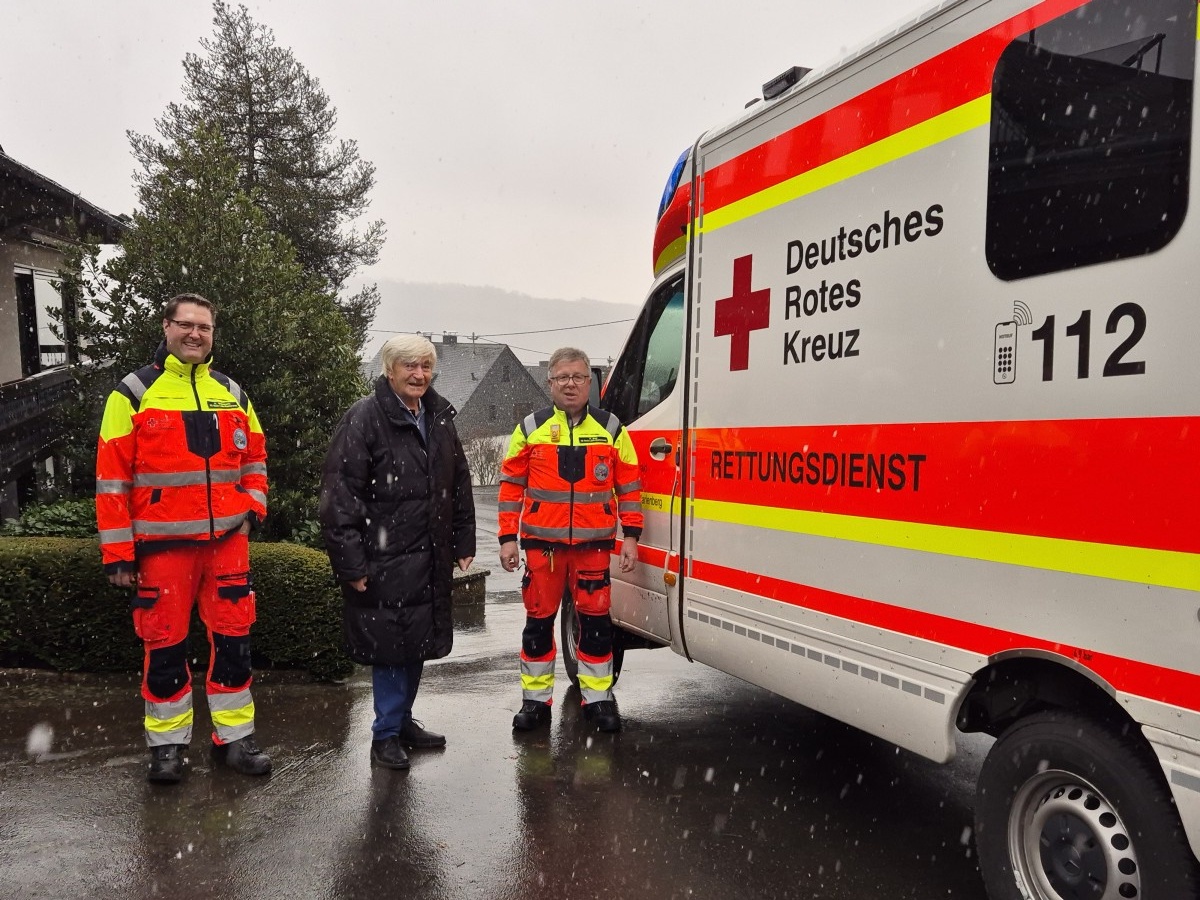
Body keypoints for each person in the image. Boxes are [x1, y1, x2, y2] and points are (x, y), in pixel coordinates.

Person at [95, 293, 272, 784]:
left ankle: (233, 739)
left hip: (226, 547)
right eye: (185, 325)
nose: (195, 334)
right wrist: (118, 553)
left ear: (213, 334)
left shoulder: (233, 393)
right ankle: (167, 747)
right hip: (162, 549)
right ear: (167, 327)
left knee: (234, 643)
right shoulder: (132, 393)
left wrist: (252, 511)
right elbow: (111, 480)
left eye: (205, 327)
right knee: (165, 647)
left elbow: (256, 460)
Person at [319, 334, 476, 771]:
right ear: (390, 370)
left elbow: (458, 483)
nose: (419, 375)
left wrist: (463, 541)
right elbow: (339, 497)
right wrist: (351, 563)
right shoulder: (364, 419)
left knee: (416, 643)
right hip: (382, 560)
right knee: (390, 646)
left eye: (426, 366)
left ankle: (403, 721)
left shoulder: (439, 417)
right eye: (410, 367)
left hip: (428, 557)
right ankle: (384, 734)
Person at [498, 347, 642, 733]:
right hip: (542, 549)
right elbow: (511, 485)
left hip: (594, 548)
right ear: (550, 383)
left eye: (579, 377)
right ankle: (534, 702)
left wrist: (631, 536)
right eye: (562, 377)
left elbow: (628, 486)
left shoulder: (612, 428)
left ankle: (597, 700)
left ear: (589, 382)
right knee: (538, 625)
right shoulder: (530, 428)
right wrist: (507, 538)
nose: (571, 384)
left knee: (595, 626)